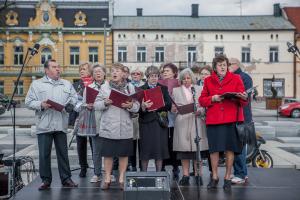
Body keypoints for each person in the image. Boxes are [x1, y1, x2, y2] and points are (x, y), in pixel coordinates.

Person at [25, 59, 78, 190]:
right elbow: (28, 102)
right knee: (44, 154)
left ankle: (66, 179)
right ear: (46, 70)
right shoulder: (37, 84)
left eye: (58, 67)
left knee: (63, 153)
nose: (58, 69)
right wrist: (41, 105)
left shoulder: (66, 84)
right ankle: (45, 180)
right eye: (54, 67)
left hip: (61, 123)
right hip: (44, 124)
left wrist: (70, 105)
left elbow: (75, 98)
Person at [199, 55, 247, 191]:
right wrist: (212, 98)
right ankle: (215, 177)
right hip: (214, 120)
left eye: (224, 65)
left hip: (231, 119)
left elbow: (243, 102)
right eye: (219, 65)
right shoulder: (208, 80)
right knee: (214, 150)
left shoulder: (236, 78)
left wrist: (243, 97)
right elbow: (202, 100)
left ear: (227, 66)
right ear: (215, 67)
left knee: (229, 149)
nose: (222, 67)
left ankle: (227, 177)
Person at [94, 63, 140, 190]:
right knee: (108, 154)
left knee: (123, 154)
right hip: (109, 126)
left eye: (117, 71)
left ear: (123, 74)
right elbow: (96, 105)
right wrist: (105, 103)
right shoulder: (104, 87)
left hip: (125, 126)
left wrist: (130, 106)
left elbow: (137, 107)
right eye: (113, 71)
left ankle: (121, 179)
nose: (114, 73)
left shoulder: (130, 87)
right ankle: (107, 178)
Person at [172, 68, 209, 186]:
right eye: (183, 78)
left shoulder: (199, 89)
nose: (186, 80)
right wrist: (173, 109)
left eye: (188, 78)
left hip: (197, 121)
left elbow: (204, 105)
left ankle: (199, 175)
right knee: (184, 152)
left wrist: (201, 111)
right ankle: (186, 175)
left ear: (192, 78)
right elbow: (173, 108)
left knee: (197, 153)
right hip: (182, 123)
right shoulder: (175, 90)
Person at [139, 66, 172, 172]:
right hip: (145, 123)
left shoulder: (163, 88)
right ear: (147, 77)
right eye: (151, 76)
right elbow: (137, 108)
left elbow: (169, 105)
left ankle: (159, 174)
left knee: (159, 150)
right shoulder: (141, 89)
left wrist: (158, 106)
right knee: (145, 150)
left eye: (156, 76)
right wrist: (143, 106)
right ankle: (144, 173)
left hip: (159, 123)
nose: (154, 78)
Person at [229, 58, 254, 184]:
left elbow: (244, 96)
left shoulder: (244, 77)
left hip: (242, 117)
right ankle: (241, 173)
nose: (226, 67)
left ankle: (241, 174)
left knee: (239, 146)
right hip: (235, 116)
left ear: (236, 65)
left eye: (229, 64)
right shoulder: (232, 77)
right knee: (236, 146)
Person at [82, 64, 107, 183]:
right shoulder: (88, 88)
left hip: (108, 121)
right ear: (92, 75)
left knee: (109, 150)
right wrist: (87, 105)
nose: (98, 73)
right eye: (95, 72)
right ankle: (97, 173)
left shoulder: (110, 86)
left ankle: (109, 173)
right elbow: (83, 104)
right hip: (95, 121)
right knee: (96, 150)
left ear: (104, 73)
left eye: (100, 71)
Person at [69, 62, 94, 178]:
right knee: (81, 144)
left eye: (84, 69)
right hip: (80, 117)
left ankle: (97, 168)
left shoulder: (95, 84)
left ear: (90, 71)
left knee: (94, 144)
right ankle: (83, 167)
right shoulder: (75, 85)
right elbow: (72, 101)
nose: (81, 71)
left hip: (93, 117)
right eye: (80, 69)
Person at [161, 63, 181, 179]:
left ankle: (175, 166)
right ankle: (162, 165)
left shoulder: (178, 84)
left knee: (174, 143)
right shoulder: (159, 84)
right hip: (163, 116)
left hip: (175, 117)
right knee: (163, 143)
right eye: (164, 71)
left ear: (174, 72)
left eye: (168, 71)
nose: (165, 73)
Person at [128, 68, 145, 171]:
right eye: (133, 73)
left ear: (141, 75)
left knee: (142, 143)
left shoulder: (144, 86)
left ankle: (142, 166)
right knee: (132, 143)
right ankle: (133, 165)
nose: (135, 75)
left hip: (142, 116)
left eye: (137, 74)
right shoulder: (128, 86)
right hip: (131, 116)